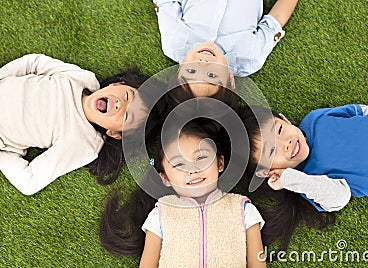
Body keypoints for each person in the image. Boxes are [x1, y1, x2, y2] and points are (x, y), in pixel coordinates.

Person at [99, 118, 266, 267]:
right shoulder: (161, 213)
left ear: (220, 163)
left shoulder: (242, 209)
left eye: (201, 158)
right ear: (165, 178)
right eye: (179, 164)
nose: (192, 170)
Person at [238, 103, 368, 252]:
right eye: (272, 151)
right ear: (265, 172)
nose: (286, 143)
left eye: (279, 130)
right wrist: (289, 179)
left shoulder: (315, 118)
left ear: (284, 119)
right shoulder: (307, 182)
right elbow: (340, 197)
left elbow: (362, 111)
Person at [0, 54, 163, 195]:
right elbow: (33, 63)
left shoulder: (84, 142)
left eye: (128, 117)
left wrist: (4, 153)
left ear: (114, 133)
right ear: (117, 84)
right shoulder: (82, 78)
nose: (120, 104)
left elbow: (29, 181)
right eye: (128, 96)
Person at [152, 0, 298, 77]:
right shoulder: (248, 58)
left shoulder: (175, 43)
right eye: (212, 75)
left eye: (191, 72)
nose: (203, 62)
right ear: (230, 80)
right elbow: (276, 19)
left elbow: (166, 2)